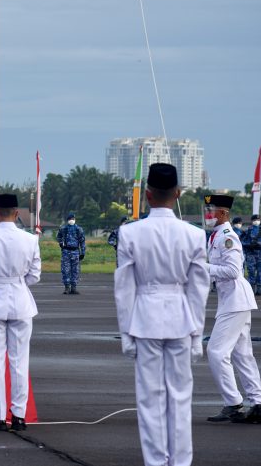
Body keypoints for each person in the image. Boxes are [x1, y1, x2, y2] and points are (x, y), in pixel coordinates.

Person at [114, 163, 209, 466]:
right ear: (178, 194)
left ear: (149, 195)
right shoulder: (194, 235)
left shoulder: (129, 233)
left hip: (145, 318)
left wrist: (126, 332)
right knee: (180, 398)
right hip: (181, 317)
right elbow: (198, 290)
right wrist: (196, 332)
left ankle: (156, 461)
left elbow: (124, 289)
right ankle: (180, 462)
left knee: (150, 398)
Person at [0, 193, 41, 432]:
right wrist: (17, 281)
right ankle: (19, 415)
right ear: (16, 213)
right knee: (19, 360)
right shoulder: (30, 240)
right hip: (20, 299)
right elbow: (34, 276)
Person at [203, 195, 261, 424]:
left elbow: (232, 270)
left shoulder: (228, 237)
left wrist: (204, 268)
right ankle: (258, 405)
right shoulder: (217, 236)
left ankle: (234, 404)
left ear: (223, 213)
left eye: (211, 210)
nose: (207, 215)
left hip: (234, 300)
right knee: (242, 355)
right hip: (232, 300)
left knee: (216, 352)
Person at [56, 211, 86, 294]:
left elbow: (82, 241)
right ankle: (67, 287)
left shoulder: (79, 229)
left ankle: (73, 288)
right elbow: (58, 237)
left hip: (75, 252)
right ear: (67, 220)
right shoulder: (63, 228)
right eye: (70, 219)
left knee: (75, 270)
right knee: (65, 270)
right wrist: (61, 243)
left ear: (75, 219)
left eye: (73, 218)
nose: (71, 220)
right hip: (66, 251)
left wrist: (82, 252)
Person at [241, 214, 261, 296]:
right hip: (251, 255)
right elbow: (241, 242)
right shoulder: (247, 231)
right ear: (252, 221)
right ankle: (251, 289)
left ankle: (259, 289)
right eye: (255, 220)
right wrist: (249, 245)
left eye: (258, 220)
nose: (257, 221)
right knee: (251, 272)